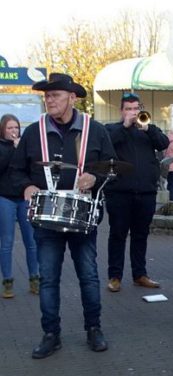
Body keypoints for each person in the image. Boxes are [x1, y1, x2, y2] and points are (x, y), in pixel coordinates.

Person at [10, 73, 116, 358]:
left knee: (89, 276)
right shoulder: (34, 132)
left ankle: (93, 329)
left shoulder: (96, 130)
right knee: (48, 279)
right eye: (47, 95)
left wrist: (94, 176)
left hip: (82, 217)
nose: (49, 99)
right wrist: (27, 185)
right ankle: (50, 334)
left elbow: (111, 167)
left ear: (72, 97)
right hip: (46, 219)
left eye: (55, 94)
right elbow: (16, 170)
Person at [104, 93, 169, 292]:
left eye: (135, 109)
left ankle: (139, 274)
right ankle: (115, 276)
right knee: (118, 235)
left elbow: (164, 143)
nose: (133, 113)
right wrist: (124, 126)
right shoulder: (111, 129)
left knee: (141, 235)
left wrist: (148, 128)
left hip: (146, 192)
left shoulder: (149, 129)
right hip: (119, 192)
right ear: (121, 111)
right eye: (129, 109)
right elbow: (107, 144)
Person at [0, 114, 39, 298]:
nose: (14, 131)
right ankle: (8, 282)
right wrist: (13, 151)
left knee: (31, 241)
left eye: (16, 128)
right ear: (3, 129)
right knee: (7, 242)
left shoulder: (23, 146)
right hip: (5, 198)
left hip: (23, 198)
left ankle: (35, 279)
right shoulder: (2, 147)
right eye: (10, 128)